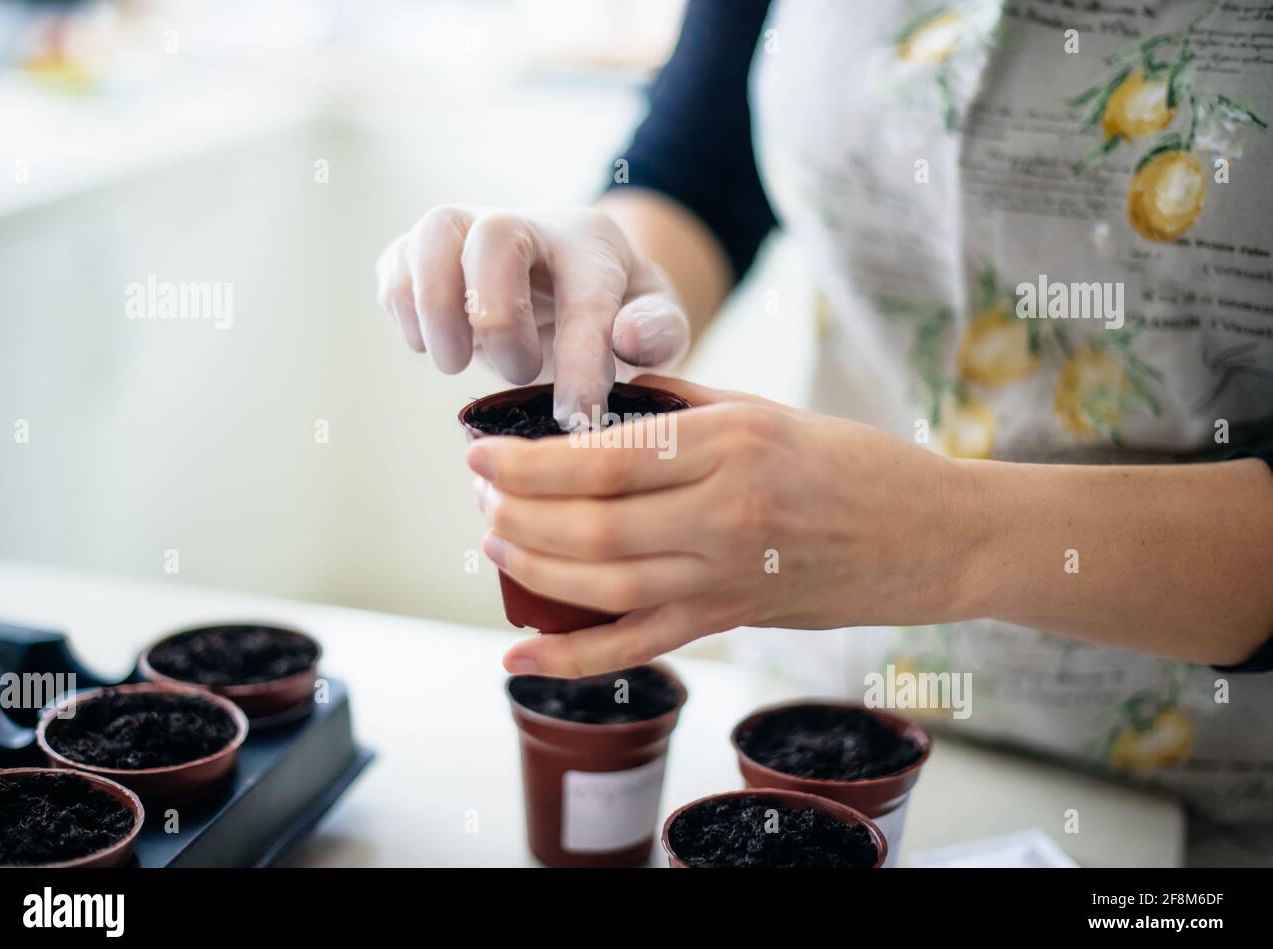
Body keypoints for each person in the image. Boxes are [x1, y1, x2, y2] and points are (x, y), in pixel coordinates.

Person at [376, 0, 1273, 833]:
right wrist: (602, 282)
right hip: (829, 710)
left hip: (1204, 788)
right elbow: (701, 165)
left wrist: (944, 534)